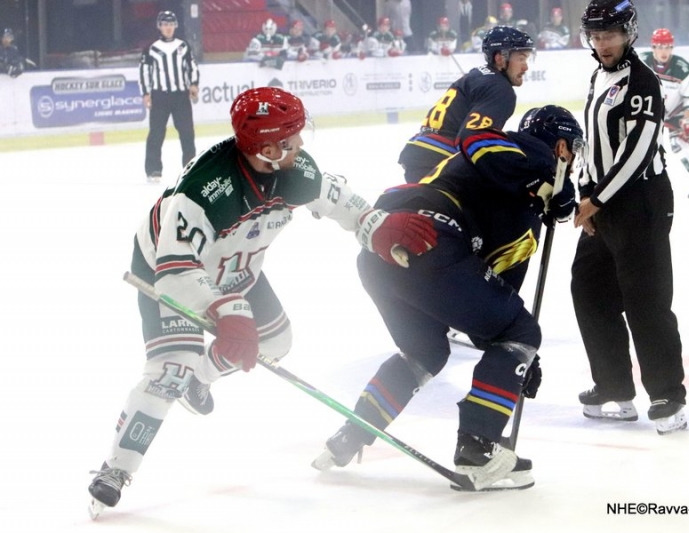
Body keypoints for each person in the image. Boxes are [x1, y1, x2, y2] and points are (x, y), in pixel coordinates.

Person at [86, 87, 438, 518]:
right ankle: (115, 469)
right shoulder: (202, 194)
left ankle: (203, 377)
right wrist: (226, 312)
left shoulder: (292, 168)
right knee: (168, 371)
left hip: (237, 266)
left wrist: (372, 223)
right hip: (168, 269)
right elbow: (175, 271)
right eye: (292, 137)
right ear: (267, 148)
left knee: (276, 342)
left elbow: (335, 199)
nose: (302, 144)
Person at [312, 105, 583, 491]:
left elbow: (491, 301)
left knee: (425, 353)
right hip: (430, 236)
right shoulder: (531, 151)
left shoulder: (526, 206)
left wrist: (512, 363)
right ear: (560, 146)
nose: (571, 161)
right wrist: (545, 177)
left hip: (384, 250)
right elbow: (475, 140)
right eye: (571, 151)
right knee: (521, 332)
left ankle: (351, 433)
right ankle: (477, 447)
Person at [572, 0, 687, 436]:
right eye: (596, 36)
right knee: (589, 290)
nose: (602, 44)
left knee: (646, 299)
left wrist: (594, 201)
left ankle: (667, 395)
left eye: (611, 35)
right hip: (602, 203)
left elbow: (637, 152)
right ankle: (614, 387)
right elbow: (597, 145)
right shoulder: (599, 76)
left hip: (640, 202)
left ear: (629, 34)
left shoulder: (642, 82)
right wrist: (585, 192)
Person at [398, 25, 534, 184]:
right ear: (500, 58)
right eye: (521, 58)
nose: (525, 67)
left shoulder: (477, 74)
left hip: (419, 150)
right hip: (439, 158)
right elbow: (471, 139)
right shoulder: (501, 89)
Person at [640, 28, 689, 204]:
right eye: (660, 47)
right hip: (650, 111)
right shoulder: (641, 62)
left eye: (668, 47)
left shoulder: (683, 69)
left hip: (675, 114)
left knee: (678, 145)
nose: (664, 51)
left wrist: (687, 120)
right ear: (653, 47)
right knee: (641, 147)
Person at [139, 11, 199, 183]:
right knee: (156, 133)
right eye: (165, 24)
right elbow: (144, 72)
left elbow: (192, 66)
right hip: (160, 96)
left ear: (175, 26)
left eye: (171, 24)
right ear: (159, 26)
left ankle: (190, 167)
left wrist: (194, 84)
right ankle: (153, 170)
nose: (168, 28)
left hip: (181, 96)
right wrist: (145, 93)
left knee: (187, 133)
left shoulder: (183, 45)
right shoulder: (151, 48)